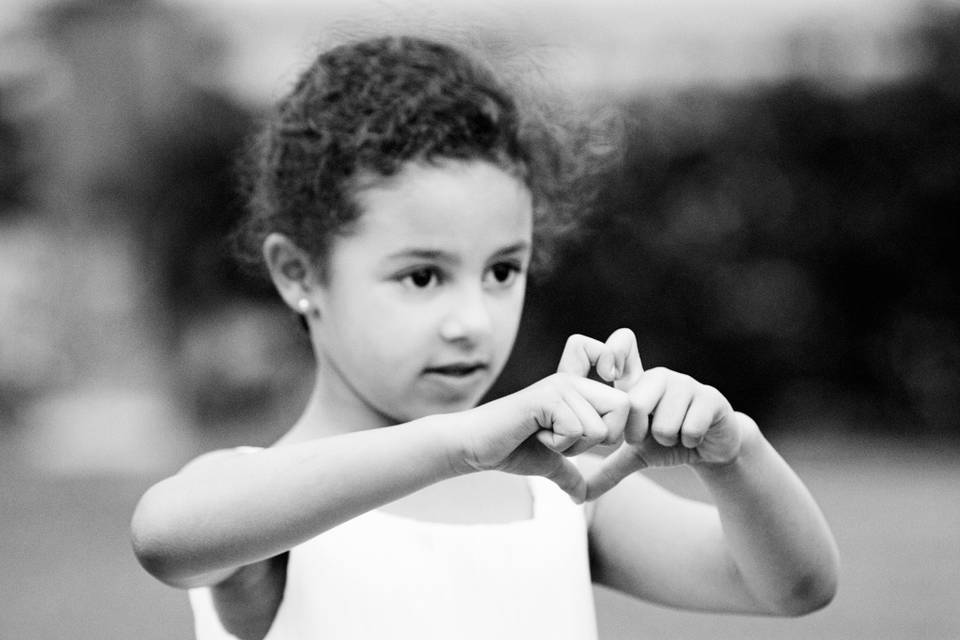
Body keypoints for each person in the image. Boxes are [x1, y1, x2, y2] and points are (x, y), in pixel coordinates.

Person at [131, 35, 839, 640]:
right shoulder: (271, 510)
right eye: (421, 277)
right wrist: (458, 444)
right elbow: (164, 537)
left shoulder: (566, 491)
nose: (472, 319)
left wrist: (733, 454)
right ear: (298, 273)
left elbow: (793, 586)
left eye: (502, 269)